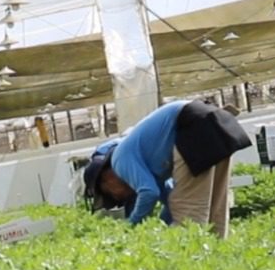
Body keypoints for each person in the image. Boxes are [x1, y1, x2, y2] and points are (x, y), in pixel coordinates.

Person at [84, 100, 250, 237]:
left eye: (111, 193)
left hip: (192, 129)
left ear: (106, 178)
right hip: (217, 124)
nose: (119, 197)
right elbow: (168, 198)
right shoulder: (145, 162)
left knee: (187, 217)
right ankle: (218, 260)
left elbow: (149, 192)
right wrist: (163, 222)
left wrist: (131, 226)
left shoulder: (119, 161)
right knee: (215, 212)